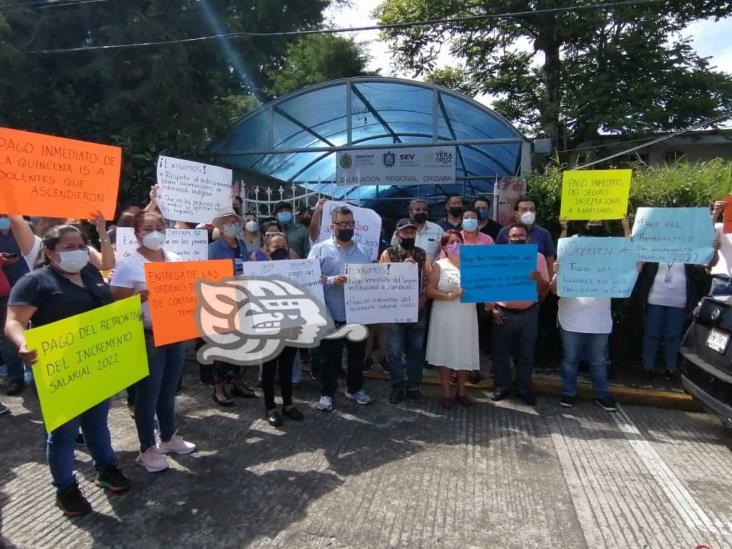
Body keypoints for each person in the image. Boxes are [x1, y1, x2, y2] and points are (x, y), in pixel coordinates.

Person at [4, 225, 131, 516]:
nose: (78, 252)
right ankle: (65, 489)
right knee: (63, 433)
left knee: (97, 422)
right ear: (50, 253)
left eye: (81, 246)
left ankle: (106, 469)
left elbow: (107, 308)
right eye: (69, 247)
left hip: (94, 365)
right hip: (58, 369)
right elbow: (12, 322)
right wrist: (22, 344)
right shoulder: (34, 282)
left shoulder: (89, 275)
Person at [110, 210, 196, 472]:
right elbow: (115, 307)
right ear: (136, 233)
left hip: (175, 333)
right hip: (147, 338)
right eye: (148, 228)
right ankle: (147, 449)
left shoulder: (175, 259)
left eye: (159, 226)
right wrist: (140, 299)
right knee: (147, 395)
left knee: (168, 390)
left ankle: (169, 438)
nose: (154, 232)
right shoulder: (128, 265)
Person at [549, 219, 628, 412]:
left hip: (599, 320)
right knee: (570, 359)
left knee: (598, 360)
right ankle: (568, 392)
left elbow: (629, 254)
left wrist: (626, 228)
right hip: (571, 319)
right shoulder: (567, 259)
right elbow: (553, 290)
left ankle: (602, 394)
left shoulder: (610, 255)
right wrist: (557, 272)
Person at [308, 206, 372, 411]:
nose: (347, 227)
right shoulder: (320, 249)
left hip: (357, 313)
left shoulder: (363, 251)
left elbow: (371, 277)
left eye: (350, 224)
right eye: (342, 224)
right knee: (330, 359)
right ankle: (327, 394)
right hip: (332, 313)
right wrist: (331, 280)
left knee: (356, 356)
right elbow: (308, 277)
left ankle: (354, 389)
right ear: (332, 226)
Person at [487, 223, 550, 406]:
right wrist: (492, 308)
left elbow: (545, 288)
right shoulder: (497, 257)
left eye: (520, 235)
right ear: (508, 239)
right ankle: (501, 387)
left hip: (529, 312)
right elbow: (488, 284)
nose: (517, 239)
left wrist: (538, 279)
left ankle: (523, 388)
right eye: (513, 236)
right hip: (503, 312)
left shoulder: (538, 258)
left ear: (527, 238)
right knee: (500, 353)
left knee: (526, 354)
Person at [207, 210, 257, 405]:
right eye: (227, 223)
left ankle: (237, 382)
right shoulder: (213, 248)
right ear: (220, 227)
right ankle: (219, 388)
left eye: (235, 222)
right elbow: (208, 276)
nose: (232, 225)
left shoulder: (242, 245)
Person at [425, 230, 479, 408]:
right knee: (445, 351)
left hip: (466, 314)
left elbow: (484, 286)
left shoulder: (472, 265)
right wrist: (451, 295)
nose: (455, 245)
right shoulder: (439, 265)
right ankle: (447, 393)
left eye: (458, 241)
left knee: (464, 352)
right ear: (444, 247)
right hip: (444, 314)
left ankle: (462, 392)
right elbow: (430, 291)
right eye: (450, 242)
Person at [380, 218, 430, 404]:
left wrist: (422, 301)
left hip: (417, 312)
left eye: (411, 232)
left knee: (416, 352)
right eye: (405, 232)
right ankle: (397, 386)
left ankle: (414, 386)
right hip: (395, 313)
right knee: (394, 352)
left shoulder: (422, 254)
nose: (408, 235)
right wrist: (402, 270)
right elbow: (380, 281)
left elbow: (428, 281)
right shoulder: (388, 253)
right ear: (397, 234)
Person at [258, 233, 305, 426]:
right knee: (269, 370)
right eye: (276, 247)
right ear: (267, 250)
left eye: (284, 246)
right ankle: (270, 408)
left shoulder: (296, 270)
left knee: (287, 368)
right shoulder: (259, 271)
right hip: (269, 329)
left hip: (290, 326)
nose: (281, 250)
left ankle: (288, 404)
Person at [634, 262, 698, 381]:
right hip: (655, 298)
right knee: (651, 334)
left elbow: (706, 261)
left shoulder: (688, 247)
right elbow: (639, 263)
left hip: (679, 300)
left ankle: (671, 368)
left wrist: (713, 248)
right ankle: (648, 367)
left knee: (673, 336)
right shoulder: (656, 247)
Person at [0, 214, 37, 395]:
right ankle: (16, 378)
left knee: (34, 333)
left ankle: (36, 376)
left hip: (32, 289)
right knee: (7, 339)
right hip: (4, 294)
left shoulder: (24, 230)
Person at [495, 197, 556, 271]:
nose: (529, 212)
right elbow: (496, 258)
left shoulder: (544, 234)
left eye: (532, 209)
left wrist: (549, 281)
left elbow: (550, 261)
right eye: (524, 209)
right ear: (516, 213)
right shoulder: (504, 232)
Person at [709, 199, 732, 296]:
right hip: (723, 280)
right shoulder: (720, 227)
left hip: (723, 280)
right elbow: (704, 231)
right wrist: (715, 213)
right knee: (720, 310)